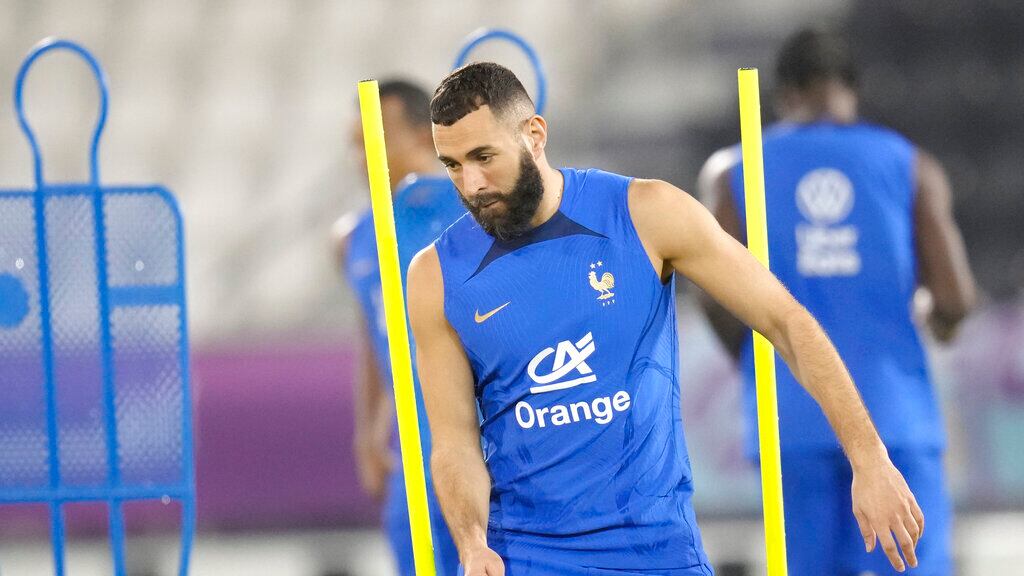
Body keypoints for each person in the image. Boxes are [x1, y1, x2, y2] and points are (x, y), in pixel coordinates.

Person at [406, 62, 924, 576]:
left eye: (483, 156)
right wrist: (473, 547)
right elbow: (453, 440)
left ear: (534, 135)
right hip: (528, 558)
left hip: (659, 552)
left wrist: (869, 457)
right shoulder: (435, 275)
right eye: (451, 164)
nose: (471, 183)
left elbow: (786, 321)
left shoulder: (646, 213)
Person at [697, 28, 976, 576]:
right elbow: (954, 298)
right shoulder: (909, 164)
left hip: (789, 420)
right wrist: (937, 324)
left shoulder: (732, 172)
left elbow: (713, 300)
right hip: (893, 415)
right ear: (851, 87)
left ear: (784, 92)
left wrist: (759, 363)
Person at [333, 79, 464, 575]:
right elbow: (371, 333)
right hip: (410, 458)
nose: (361, 155)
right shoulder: (352, 239)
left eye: (374, 137)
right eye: (355, 141)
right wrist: (368, 432)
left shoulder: (474, 215)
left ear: (421, 135)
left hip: (484, 444)